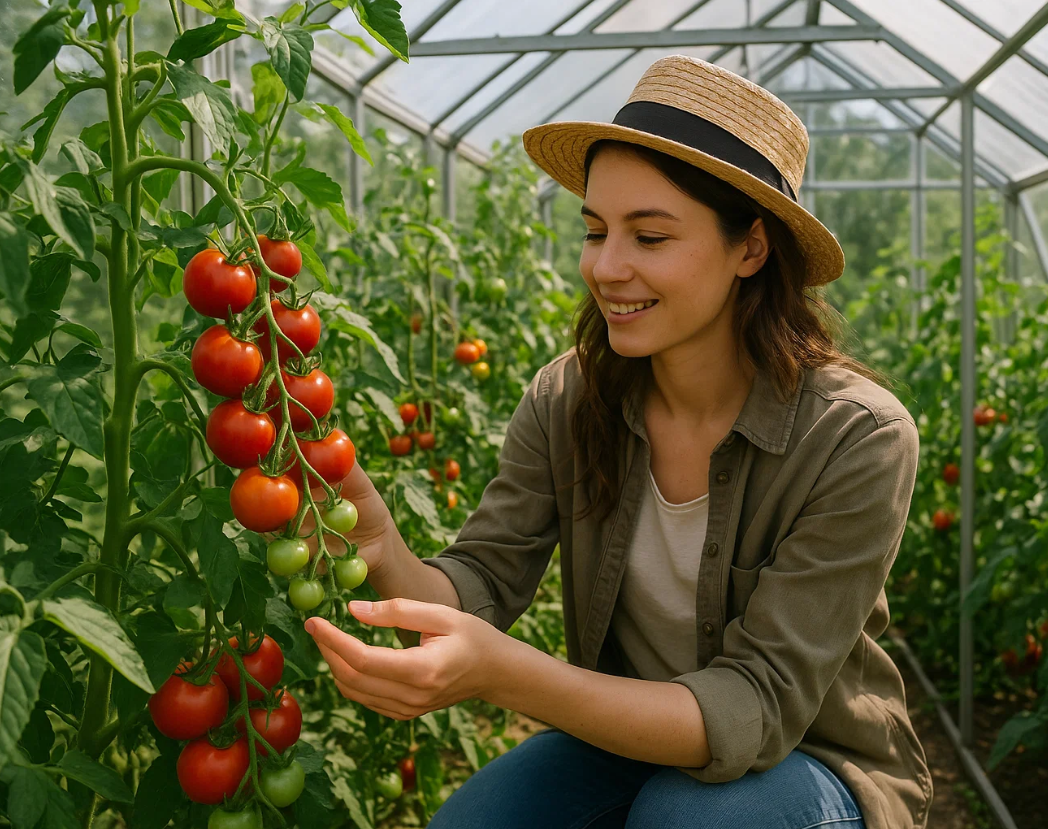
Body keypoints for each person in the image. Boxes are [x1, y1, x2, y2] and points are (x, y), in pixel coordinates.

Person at [303, 54, 932, 829]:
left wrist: (503, 676)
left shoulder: (854, 436)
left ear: (751, 248)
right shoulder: (568, 398)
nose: (605, 266)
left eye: (650, 235)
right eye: (596, 229)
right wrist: (378, 545)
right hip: (619, 738)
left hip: (810, 759)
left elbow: (754, 707)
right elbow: (481, 583)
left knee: (687, 819)